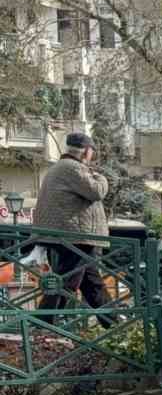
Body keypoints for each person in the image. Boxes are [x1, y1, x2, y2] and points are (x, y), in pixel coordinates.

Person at [33, 132, 113, 326]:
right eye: (91, 152)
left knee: (91, 282)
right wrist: (101, 177)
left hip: (68, 234)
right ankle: (42, 323)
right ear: (86, 151)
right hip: (76, 236)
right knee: (66, 282)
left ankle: (113, 322)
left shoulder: (59, 168)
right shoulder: (73, 168)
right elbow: (96, 191)